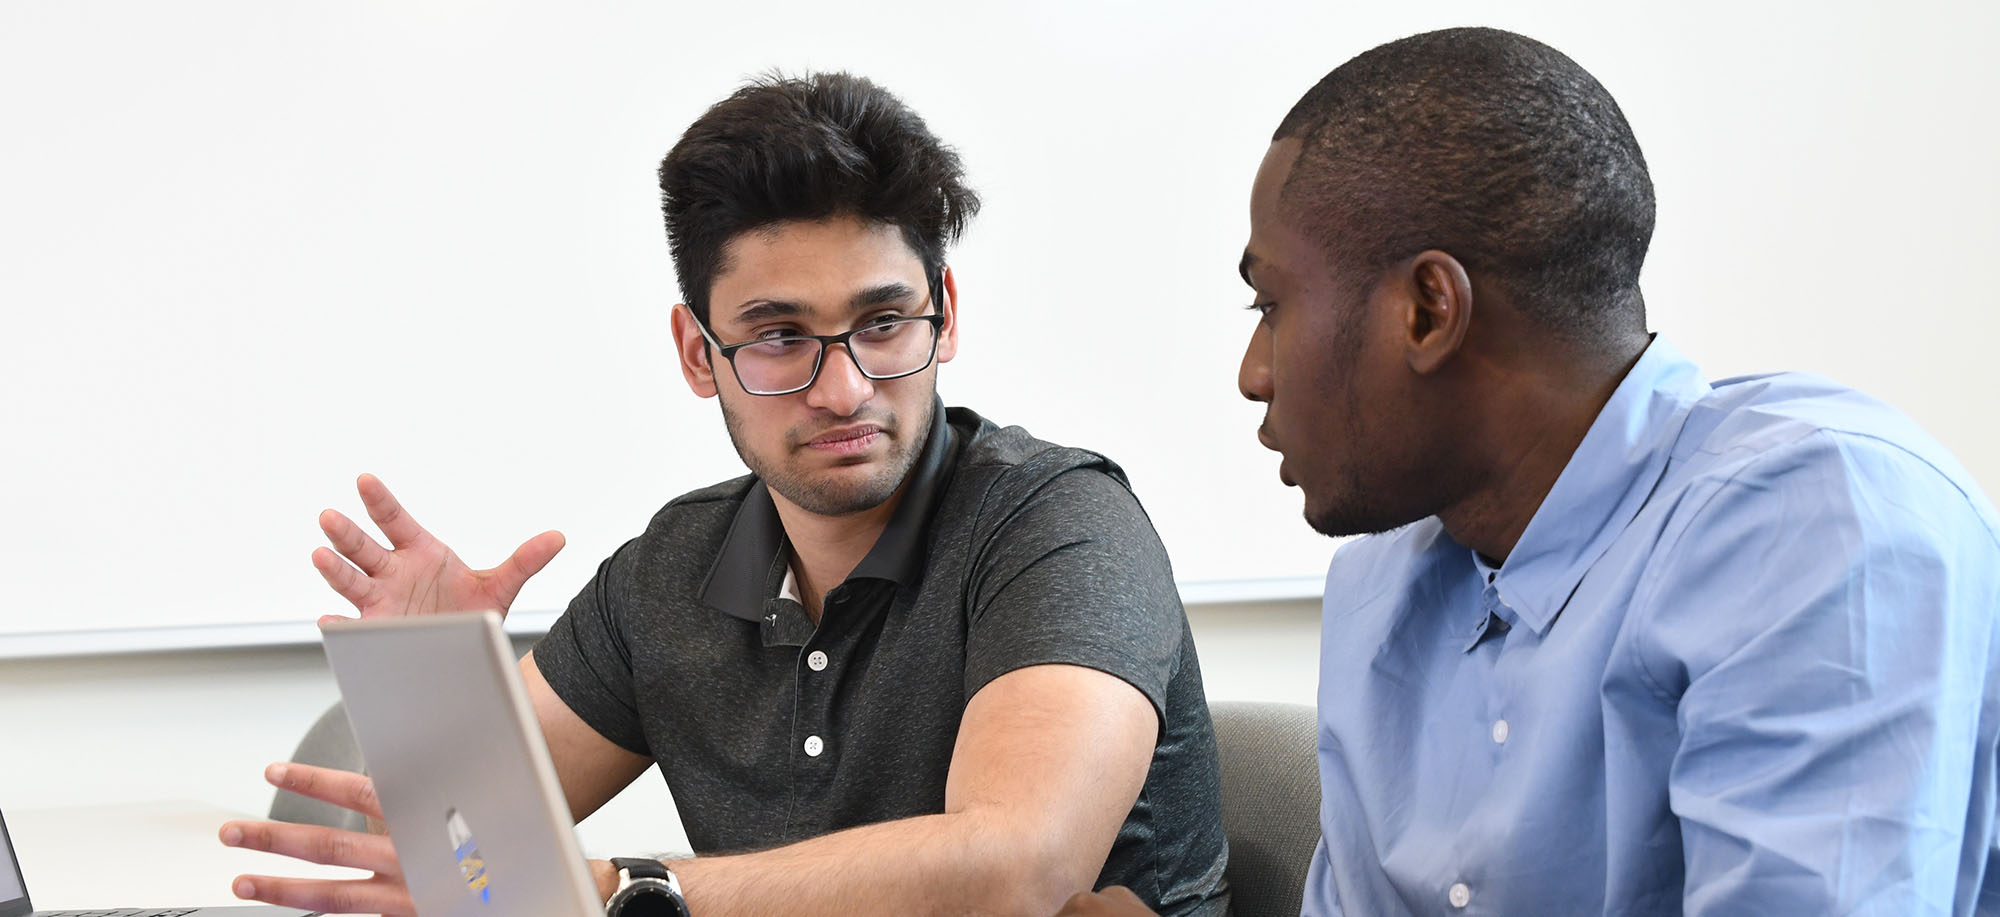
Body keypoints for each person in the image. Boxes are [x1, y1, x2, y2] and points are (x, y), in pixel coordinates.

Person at [219, 71, 1230, 917]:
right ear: (698, 354)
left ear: (944, 312)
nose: (844, 388)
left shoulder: (1057, 523)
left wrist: (632, 888)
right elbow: (469, 873)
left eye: (882, 321)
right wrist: (440, 693)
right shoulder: (670, 571)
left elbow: (1018, 865)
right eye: (781, 335)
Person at [1063, 26, 2000, 916]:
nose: (1252, 374)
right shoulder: (1382, 582)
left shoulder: (1813, 527)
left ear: (1429, 311)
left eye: (1269, 305)